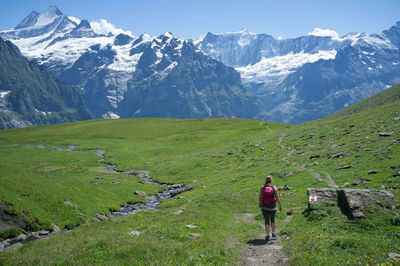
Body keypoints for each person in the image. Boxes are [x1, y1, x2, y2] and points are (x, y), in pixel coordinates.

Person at [258, 175, 282, 242]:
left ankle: (268, 235)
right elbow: (277, 198)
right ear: (271, 180)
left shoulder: (262, 187)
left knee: (266, 220)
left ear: (266, 180)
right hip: (272, 206)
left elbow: (260, 198)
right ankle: (273, 233)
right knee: (272, 219)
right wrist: (280, 205)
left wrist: (259, 204)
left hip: (264, 206)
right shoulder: (274, 188)